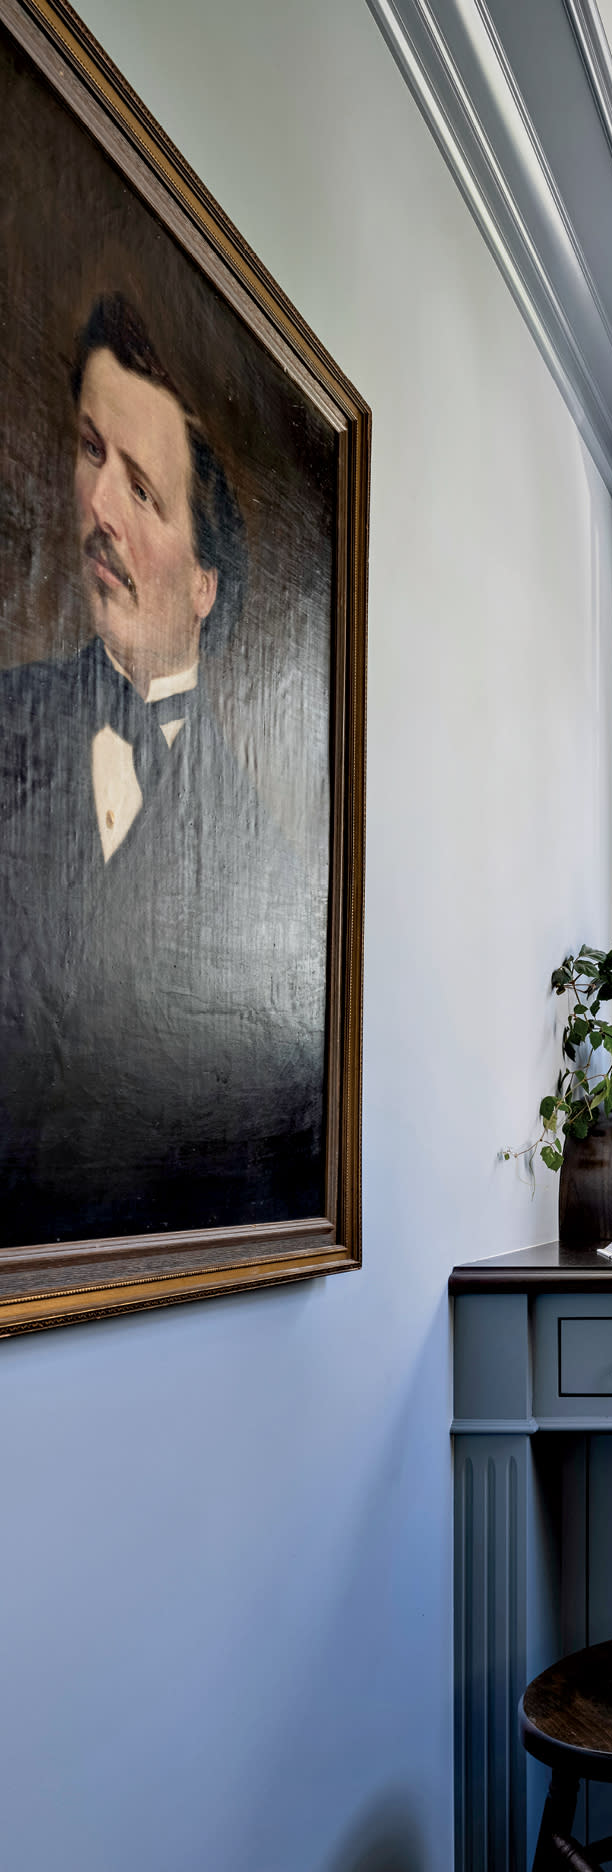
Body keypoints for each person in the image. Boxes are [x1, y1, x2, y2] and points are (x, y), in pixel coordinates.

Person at [0, 294, 325, 1248]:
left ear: (202, 583)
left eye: (142, 490)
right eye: (90, 451)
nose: (96, 507)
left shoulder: (269, 871)